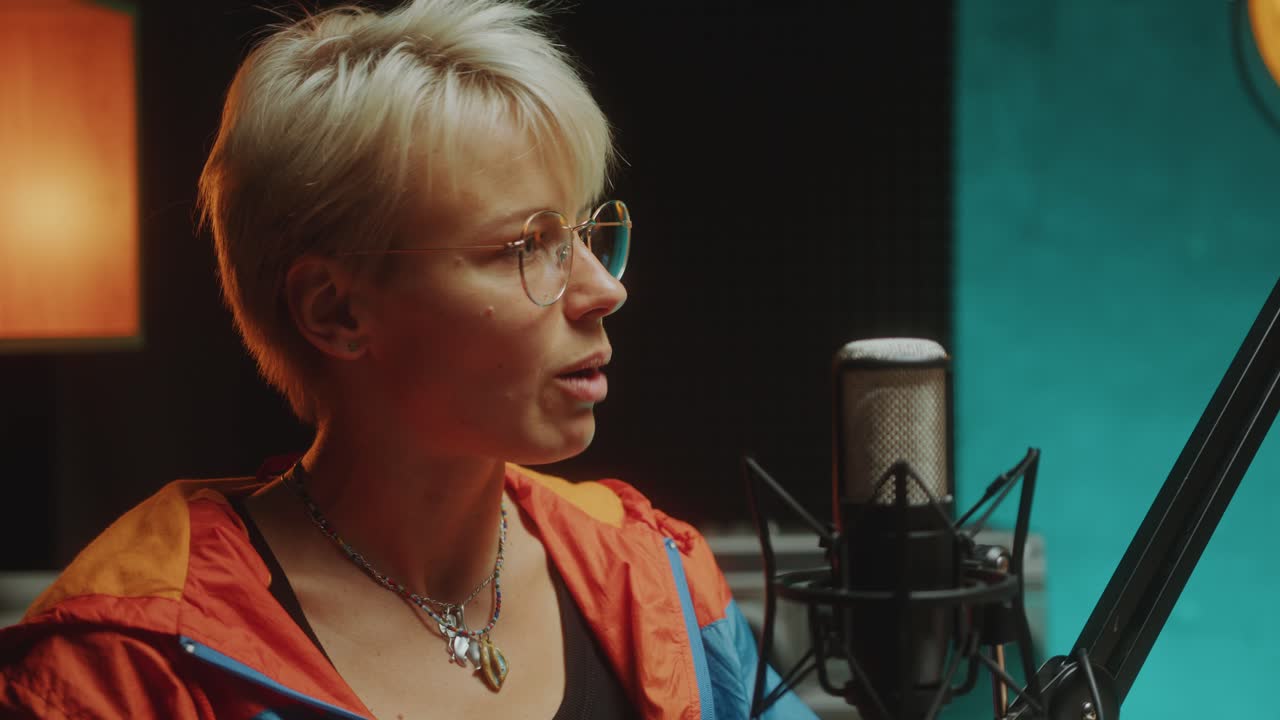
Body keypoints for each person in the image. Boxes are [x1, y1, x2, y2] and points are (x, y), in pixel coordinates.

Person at [0, 0, 816, 717]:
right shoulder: (125, 667)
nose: (604, 290)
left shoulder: (655, 578)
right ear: (336, 311)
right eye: (526, 246)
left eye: (584, 232)